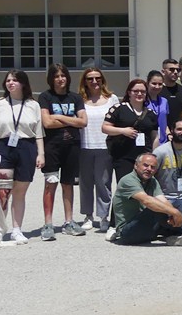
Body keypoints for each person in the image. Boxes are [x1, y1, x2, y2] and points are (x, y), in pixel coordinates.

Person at [0, 70, 44, 247]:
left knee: (20, 191)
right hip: (4, 147)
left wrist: (41, 154)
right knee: (2, 191)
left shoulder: (33, 105)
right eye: (8, 80)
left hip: (27, 148)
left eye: (15, 80)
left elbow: (38, 133)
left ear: (23, 83)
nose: (10, 83)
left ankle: (17, 230)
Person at [38, 64, 87, 241]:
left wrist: (58, 117)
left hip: (72, 145)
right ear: (51, 79)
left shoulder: (75, 97)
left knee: (68, 184)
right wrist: (71, 120)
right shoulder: (45, 97)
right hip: (52, 146)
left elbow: (83, 122)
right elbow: (47, 123)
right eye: (56, 76)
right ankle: (48, 224)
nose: (60, 79)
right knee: (50, 183)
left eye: (63, 75)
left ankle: (69, 221)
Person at [110, 153, 182, 246]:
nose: (149, 169)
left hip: (146, 229)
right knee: (155, 208)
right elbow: (147, 201)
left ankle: (180, 235)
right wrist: (174, 212)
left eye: (153, 167)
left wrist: (173, 214)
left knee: (178, 203)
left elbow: (163, 200)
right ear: (136, 165)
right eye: (145, 165)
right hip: (128, 233)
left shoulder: (152, 181)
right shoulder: (128, 180)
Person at [78, 67, 120, 233]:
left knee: (103, 183)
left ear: (102, 80)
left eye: (97, 78)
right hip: (85, 145)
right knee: (85, 183)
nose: (94, 81)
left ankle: (103, 216)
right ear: (85, 81)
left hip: (104, 147)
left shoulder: (112, 99)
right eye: (90, 78)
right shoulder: (80, 99)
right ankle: (88, 216)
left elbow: (117, 121)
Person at [102, 79, 158, 180]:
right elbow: (105, 128)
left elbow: (154, 136)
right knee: (127, 185)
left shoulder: (151, 113)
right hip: (123, 156)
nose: (139, 94)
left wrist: (153, 154)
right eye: (136, 91)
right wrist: (123, 131)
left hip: (144, 157)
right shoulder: (118, 109)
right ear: (129, 93)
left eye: (143, 91)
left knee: (143, 185)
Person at [145, 70, 171, 144]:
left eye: (160, 84)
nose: (157, 86)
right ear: (147, 83)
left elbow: (164, 122)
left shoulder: (164, 101)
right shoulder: (143, 101)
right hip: (148, 142)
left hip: (163, 142)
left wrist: (169, 134)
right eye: (154, 83)